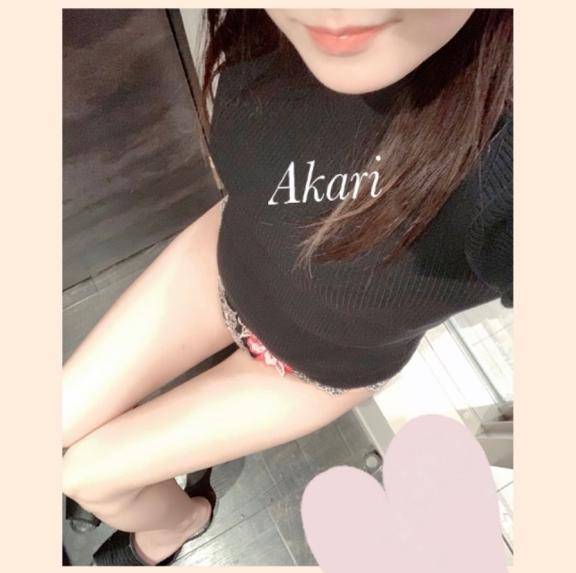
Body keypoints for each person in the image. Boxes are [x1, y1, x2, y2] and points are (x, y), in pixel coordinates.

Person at [62, 8, 513, 566]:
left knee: (88, 477)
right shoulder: (265, 26)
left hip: (310, 370)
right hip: (222, 262)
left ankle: (178, 524)